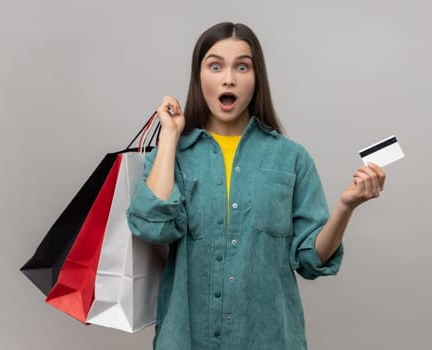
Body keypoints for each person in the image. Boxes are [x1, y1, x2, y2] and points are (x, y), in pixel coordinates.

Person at [127, 22, 385, 350]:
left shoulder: (291, 158)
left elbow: (311, 261)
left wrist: (347, 207)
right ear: (199, 76)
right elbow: (153, 226)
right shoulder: (173, 154)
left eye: (242, 67)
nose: (229, 78)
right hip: (186, 339)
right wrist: (170, 136)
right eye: (215, 66)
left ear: (256, 77)